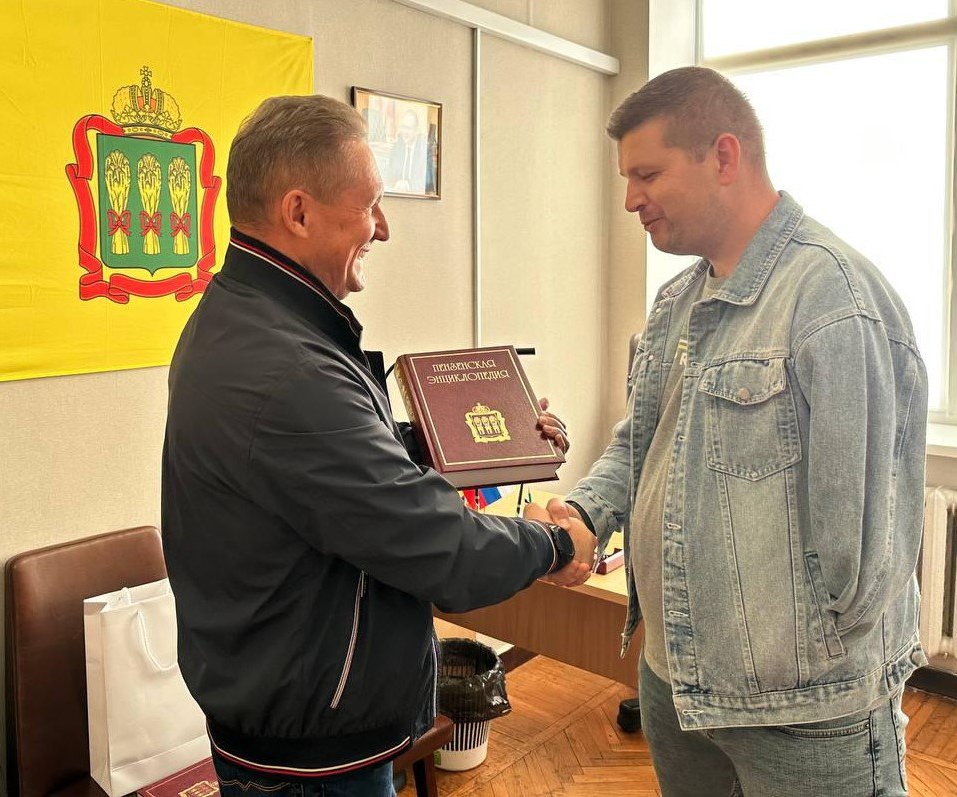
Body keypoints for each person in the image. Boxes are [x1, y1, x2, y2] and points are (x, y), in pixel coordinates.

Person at [161, 94, 597, 797]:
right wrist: (554, 545)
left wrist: (465, 439)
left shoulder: (245, 321)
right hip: (312, 758)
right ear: (298, 213)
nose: (384, 228)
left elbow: (336, 474)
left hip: (293, 718)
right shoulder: (288, 370)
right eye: (370, 205)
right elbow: (441, 548)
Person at [538, 66, 928, 796]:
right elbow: (641, 439)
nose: (630, 200)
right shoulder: (677, 299)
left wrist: (800, 658)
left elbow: (869, 552)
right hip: (676, 681)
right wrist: (586, 512)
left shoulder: (833, 299)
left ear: (723, 156)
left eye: (646, 173)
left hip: (804, 716)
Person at [387, 108, 428, 193]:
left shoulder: (424, 150)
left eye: (408, 128)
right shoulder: (397, 147)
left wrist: (408, 185)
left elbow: (428, 181)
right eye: (403, 127)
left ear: (416, 130)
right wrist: (396, 183)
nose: (405, 132)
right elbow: (388, 174)